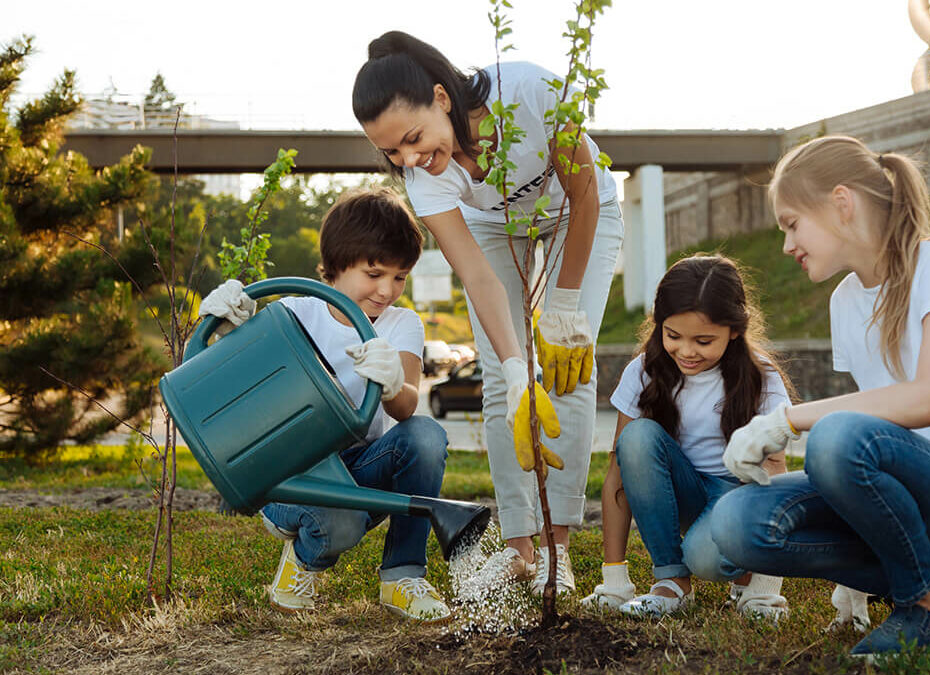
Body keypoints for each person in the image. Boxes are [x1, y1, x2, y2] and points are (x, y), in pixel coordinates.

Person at [690, 135, 930, 659]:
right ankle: (900, 575)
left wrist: (787, 420)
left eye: (791, 223)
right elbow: (878, 420)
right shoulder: (846, 301)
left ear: (841, 204)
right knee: (736, 523)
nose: (786, 245)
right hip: (901, 494)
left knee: (836, 435)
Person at [352, 30, 624, 595]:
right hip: (492, 229)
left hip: (579, 213)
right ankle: (520, 548)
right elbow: (477, 276)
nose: (409, 159)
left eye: (412, 138)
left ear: (442, 99)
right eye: (391, 153)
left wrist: (564, 309)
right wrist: (518, 366)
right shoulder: (424, 176)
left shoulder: (531, 91)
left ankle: (557, 548)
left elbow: (586, 196)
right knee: (505, 378)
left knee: (570, 366)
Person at [199, 187, 451, 622]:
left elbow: (407, 406)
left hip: (357, 470)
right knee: (339, 524)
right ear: (335, 265)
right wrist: (228, 327)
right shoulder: (295, 313)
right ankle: (303, 557)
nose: (387, 290)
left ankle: (402, 576)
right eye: (374, 273)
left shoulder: (400, 324)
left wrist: (392, 383)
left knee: (426, 436)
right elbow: (232, 386)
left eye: (399, 276)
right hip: (293, 474)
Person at [580, 254, 792, 618]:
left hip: (740, 498)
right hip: (683, 493)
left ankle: (747, 579)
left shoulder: (762, 378)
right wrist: (614, 581)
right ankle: (671, 582)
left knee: (703, 556)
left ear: (735, 330)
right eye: (673, 336)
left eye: (704, 340)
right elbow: (618, 473)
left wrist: (767, 590)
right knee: (636, 439)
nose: (687, 351)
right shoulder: (644, 371)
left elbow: (775, 476)